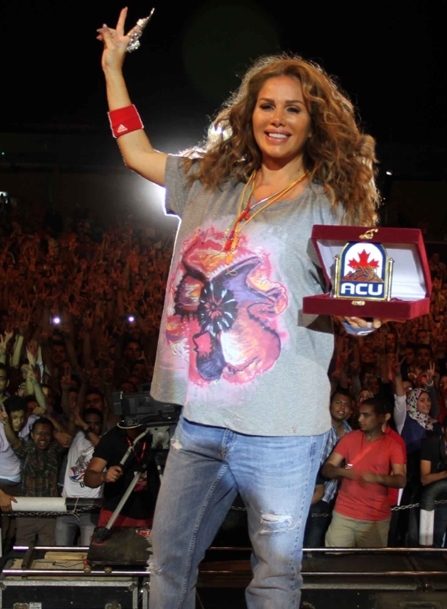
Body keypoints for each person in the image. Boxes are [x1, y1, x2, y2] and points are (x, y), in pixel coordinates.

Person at [98, 8, 382, 608]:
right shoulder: (212, 180)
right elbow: (136, 153)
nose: (277, 119)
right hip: (203, 419)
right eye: (267, 106)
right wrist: (113, 67)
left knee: (274, 578)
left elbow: (357, 296)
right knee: (168, 562)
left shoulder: (331, 201)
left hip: (283, 429)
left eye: (293, 109)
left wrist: (362, 316)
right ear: (249, 112)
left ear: (313, 121)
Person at [323, 398, 406, 547]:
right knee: (335, 558)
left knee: (370, 560)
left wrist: (378, 478)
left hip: (375, 518)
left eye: (366, 415)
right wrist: (342, 472)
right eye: (359, 414)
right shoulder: (349, 438)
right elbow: (327, 468)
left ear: (380, 418)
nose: (360, 419)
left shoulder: (393, 445)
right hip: (343, 513)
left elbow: (401, 480)